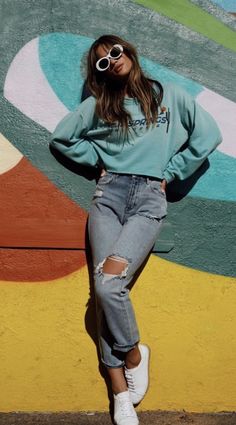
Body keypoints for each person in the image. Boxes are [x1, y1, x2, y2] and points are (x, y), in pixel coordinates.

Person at [50, 34, 222, 425]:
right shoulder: (98, 106)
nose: (112, 61)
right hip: (108, 196)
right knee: (101, 292)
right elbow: (61, 139)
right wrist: (97, 158)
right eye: (102, 61)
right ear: (100, 72)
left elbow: (208, 136)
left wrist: (172, 173)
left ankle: (132, 355)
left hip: (148, 197)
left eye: (115, 52)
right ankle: (120, 394)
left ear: (129, 51)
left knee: (110, 285)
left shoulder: (168, 96)